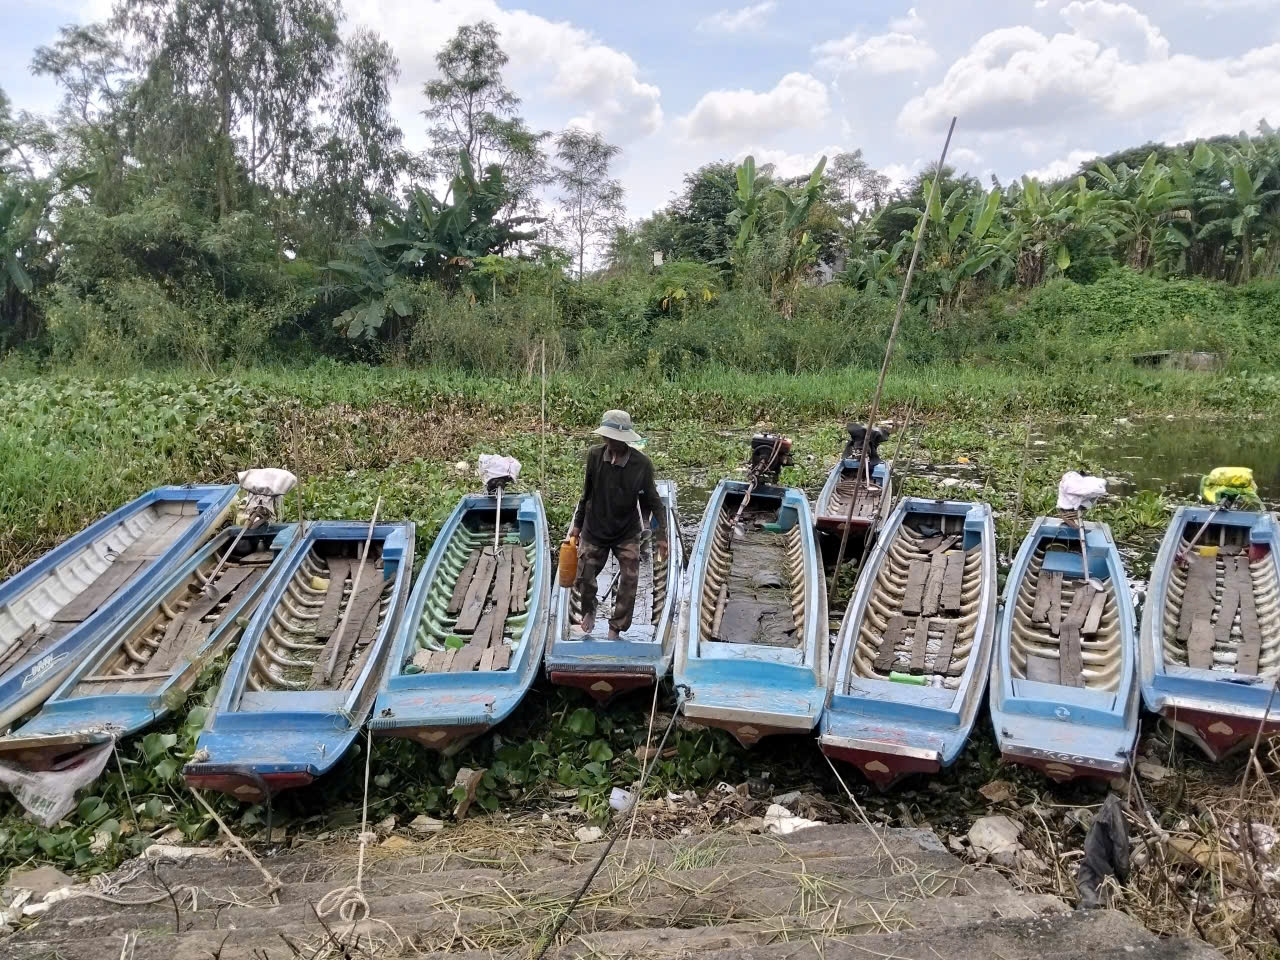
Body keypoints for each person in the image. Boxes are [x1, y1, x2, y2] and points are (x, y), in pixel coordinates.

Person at [569, 410, 669, 640]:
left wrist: (661, 535)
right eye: (608, 438)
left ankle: (616, 626)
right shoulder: (594, 456)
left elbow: (653, 500)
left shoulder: (641, 464)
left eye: (616, 439)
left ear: (625, 440)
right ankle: (589, 609)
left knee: (630, 579)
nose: (611, 442)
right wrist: (577, 524)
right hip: (595, 528)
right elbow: (587, 493)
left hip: (626, 530)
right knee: (584, 576)